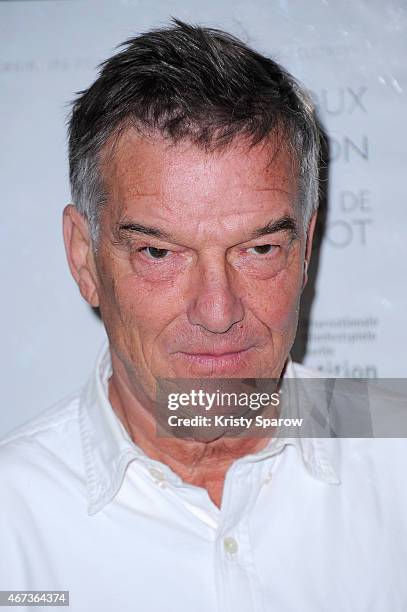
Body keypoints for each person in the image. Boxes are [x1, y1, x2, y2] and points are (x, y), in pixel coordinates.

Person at [1, 19, 406, 612]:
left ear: (305, 252)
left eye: (259, 249)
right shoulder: (11, 520)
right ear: (84, 259)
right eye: (160, 253)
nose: (217, 311)